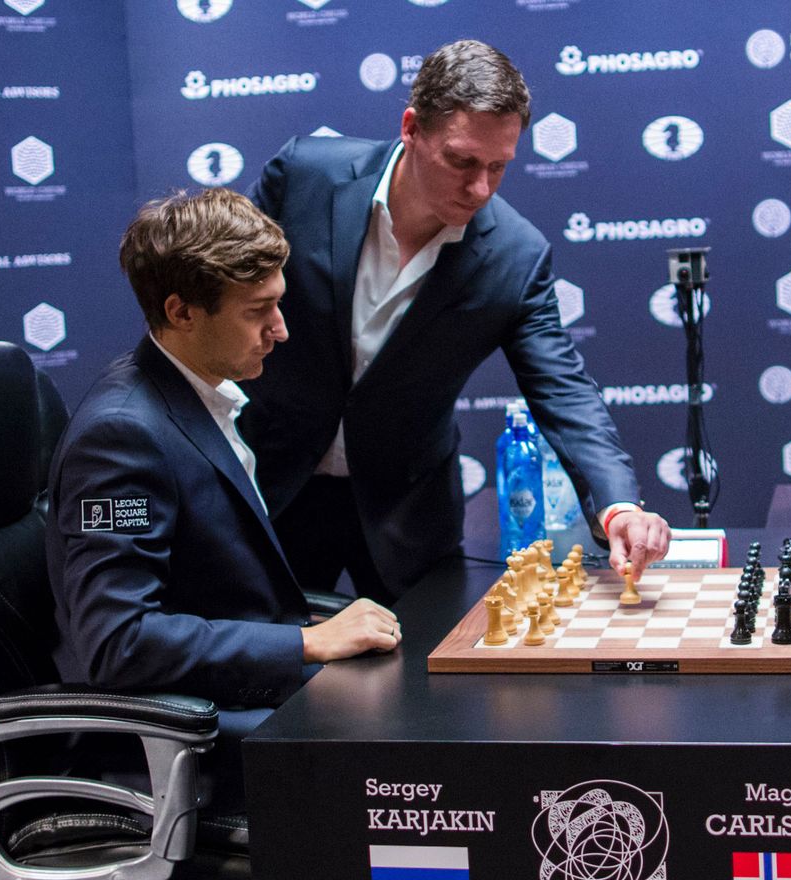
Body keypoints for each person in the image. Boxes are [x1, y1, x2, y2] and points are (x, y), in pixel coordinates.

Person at [242, 39, 670, 602]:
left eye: (498, 167)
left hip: (407, 517)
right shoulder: (302, 176)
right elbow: (218, 296)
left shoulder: (517, 256)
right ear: (412, 127)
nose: (481, 188)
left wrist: (616, 506)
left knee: (420, 683)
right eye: (462, 161)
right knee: (258, 677)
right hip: (270, 488)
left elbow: (564, 390)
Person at [46, 189, 401, 799]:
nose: (281, 331)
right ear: (182, 312)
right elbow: (118, 642)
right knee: (395, 746)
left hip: (225, 690)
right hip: (176, 731)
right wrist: (306, 641)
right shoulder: (121, 436)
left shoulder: (199, 392)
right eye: (257, 311)